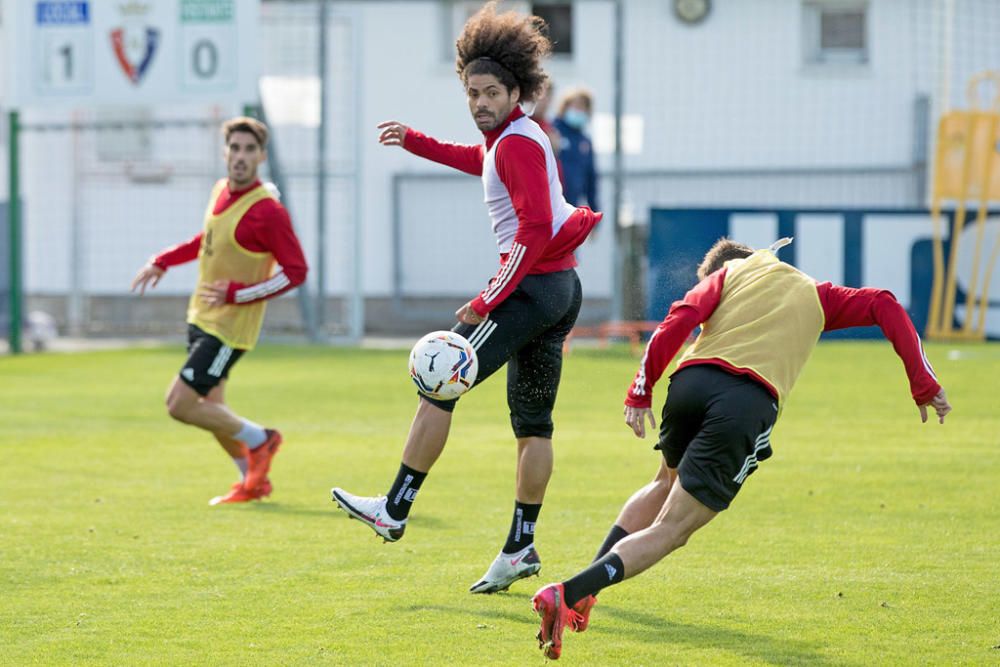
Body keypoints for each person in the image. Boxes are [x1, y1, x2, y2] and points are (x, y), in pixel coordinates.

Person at [530, 237, 951, 660]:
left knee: (663, 481)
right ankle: (570, 592)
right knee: (672, 530)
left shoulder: (729, 277)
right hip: (744, 401)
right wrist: (923, 383)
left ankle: (586, 588)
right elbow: (884, 304)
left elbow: (679, 319)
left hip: (688, 383)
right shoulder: (814, 293)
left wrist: (641, 391)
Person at [330, 1, 601, 595]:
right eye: (471, 92)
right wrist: (416, 142)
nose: (479, 102)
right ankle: (520, 547)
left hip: (531, 290)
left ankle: (394, 508)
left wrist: (487, 298)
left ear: (516, 91)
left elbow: (532, 231)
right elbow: (476, 161)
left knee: (439, 381)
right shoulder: (511, 140)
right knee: (534, 426)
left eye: (490, 93)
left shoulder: (518, 144)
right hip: (560, 289)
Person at [131, 116, 308, 506]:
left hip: (229, 330)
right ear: (225, 152)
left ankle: (263, 439)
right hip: (201, 317)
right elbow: (207, 239)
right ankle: (252, 481)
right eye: (235, 148)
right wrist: (162, 260)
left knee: (179, 405)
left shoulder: (268, 212)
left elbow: (296, 272)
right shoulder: (219, 191)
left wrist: (236, 294)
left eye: (249, 149)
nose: (240, 156)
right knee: (212, 409)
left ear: (261, 156)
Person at [553, 88, 599, 215]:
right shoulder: (552, 132)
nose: (579, 111)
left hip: (571, 206)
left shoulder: (585, 141)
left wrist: (594, 210)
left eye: (583, 108)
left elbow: (591, 178)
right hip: (550, 204)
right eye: (576, 106)